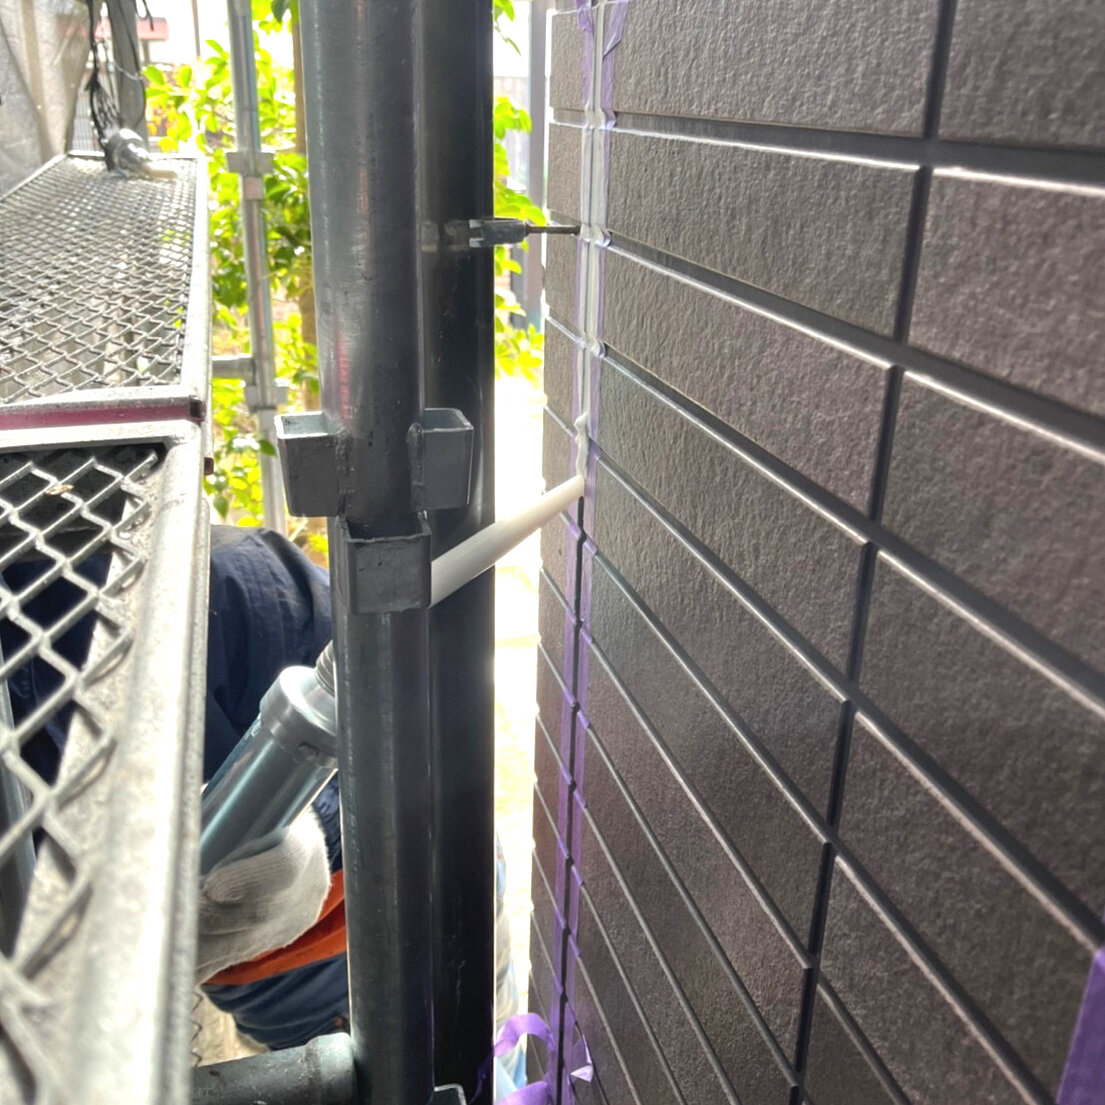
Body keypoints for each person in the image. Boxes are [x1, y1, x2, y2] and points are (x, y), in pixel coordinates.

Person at [4, 523, 524, 1095]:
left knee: (478, 1059)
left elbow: (425, 732)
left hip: (371, 934)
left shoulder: (217, 589)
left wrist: (313, 825)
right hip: (281, 978)